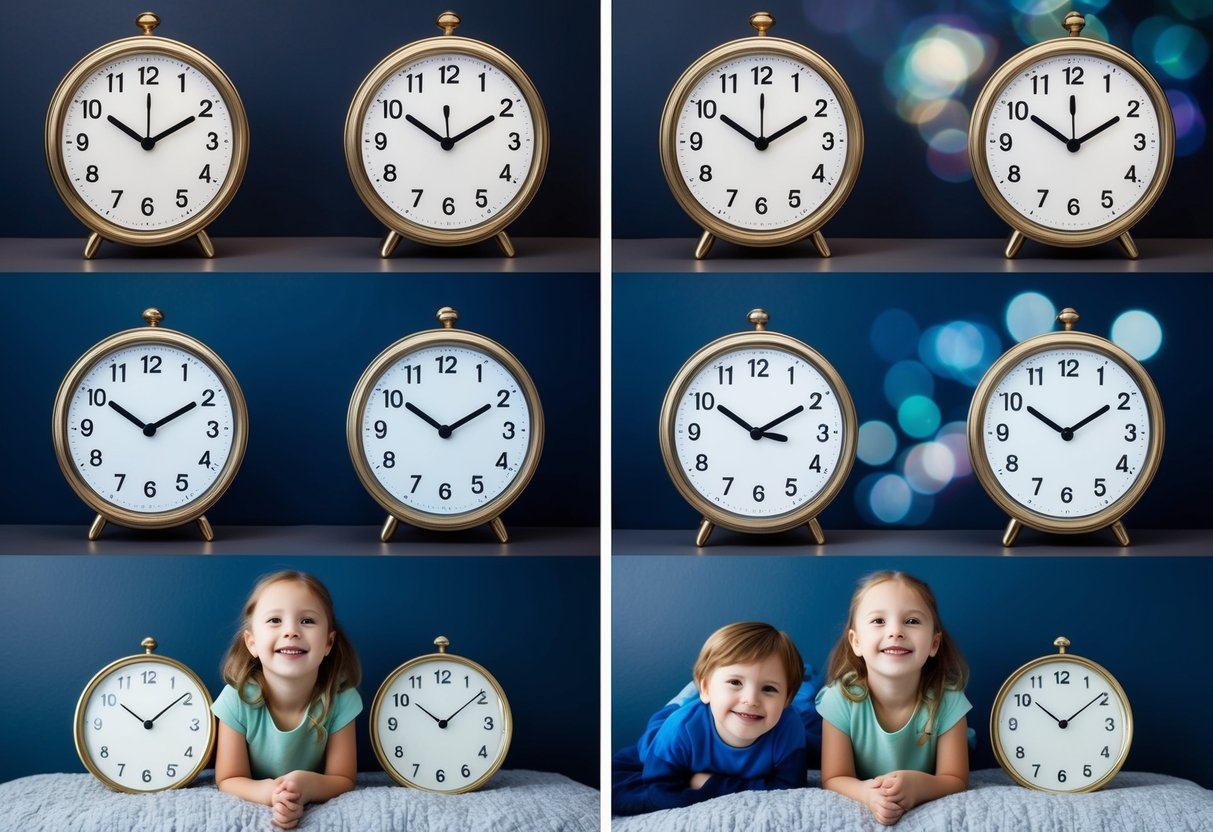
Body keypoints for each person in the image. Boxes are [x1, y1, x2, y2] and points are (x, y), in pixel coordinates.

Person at [818, 571, 970, 826]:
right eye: (878, 620)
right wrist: (867, 794)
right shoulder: (839, 699)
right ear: (856, 642)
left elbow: (955, 779)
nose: (895, 631)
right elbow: (834, 777)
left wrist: (918, 786)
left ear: (934, 644)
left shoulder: (949, 700)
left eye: (911, 621)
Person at [612, 621, 811, 815]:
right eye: (735, 682)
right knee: (650, 745)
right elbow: (659, 790)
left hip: (714, 708)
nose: (751, 700)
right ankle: (691, 693)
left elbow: (790, 787)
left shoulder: (790, 726)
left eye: (769, 688)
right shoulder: (681, 728)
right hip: (671, 722)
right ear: (706, 688)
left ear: (787, 699)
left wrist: (711, 784)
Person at [213, 571, 362, 829]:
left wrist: (304, 786)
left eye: (306, 620)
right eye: (274, 620)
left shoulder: (342, 699)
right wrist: (271, 793)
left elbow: (343, 778)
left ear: (328, 643)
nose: (291, 631)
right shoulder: (235, 699)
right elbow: (229, 778)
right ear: (252, 643)